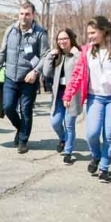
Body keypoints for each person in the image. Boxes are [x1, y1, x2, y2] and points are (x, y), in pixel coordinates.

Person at [0, 1, 49, 154]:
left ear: (33, 15)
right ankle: (21, 128)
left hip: (28, 80)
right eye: (21, 14)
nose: (24, 17)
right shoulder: (10, 30)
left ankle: (23, 140)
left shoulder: (40, 33)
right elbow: (2, 52)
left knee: (26, 110)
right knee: (8, 107)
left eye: (27, 14)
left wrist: (35, 72)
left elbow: (45, 56)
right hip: (10, 77)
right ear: (18, 14)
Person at [63, 16, 111, 183]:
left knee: (109, 134)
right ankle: (96, 156)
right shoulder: (87, 51)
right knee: (92, 134)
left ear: (104, 30)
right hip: (95, 98)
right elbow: (77, 75)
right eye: (88, 33)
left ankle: (104, 168)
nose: (89, 36)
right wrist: (68, 94)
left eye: (92, 33)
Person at [43, 28, 82, 165]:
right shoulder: (57, 56)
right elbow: (47, 73)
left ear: (71, 39)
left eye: (65, 38)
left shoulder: (77, 54)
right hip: (59, 93)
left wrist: (76, 54)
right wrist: (49, 56)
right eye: (59, 39)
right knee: (55, 122)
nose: (62, 41)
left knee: (69, 124)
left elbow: (82, 70)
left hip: (72, 95)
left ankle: (68, 152)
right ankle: (63, 139)